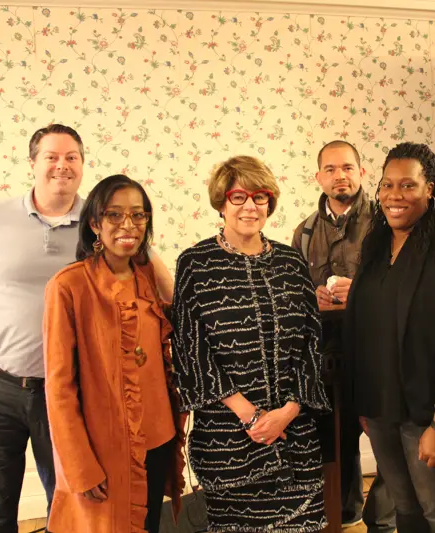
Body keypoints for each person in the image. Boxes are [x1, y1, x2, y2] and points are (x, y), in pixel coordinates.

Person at [0, 124, 173, 532]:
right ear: (33, 163)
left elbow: (152, 275)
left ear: (82, 164)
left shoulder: (104, 219)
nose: (62, 165)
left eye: (71, 157)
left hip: (67, 396)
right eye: (51, 157)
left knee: (70, 504)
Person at [171, 155, 331, 532]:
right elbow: (192, 350)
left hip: (294, 436)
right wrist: (252, 416)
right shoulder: (195, 263)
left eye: (260, 197)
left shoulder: (291, 262)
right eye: (239, 196)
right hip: (229, 438)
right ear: (222, 202)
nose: (250, 206)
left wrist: (288, 411)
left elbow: (311, 344)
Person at [343, 142, 435, 533]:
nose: (394, 196)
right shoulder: (376, 246)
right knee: (405, 508)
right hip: (382, 408)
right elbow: (366, 326)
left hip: (430, 412)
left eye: (407, 185)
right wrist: (365, 404)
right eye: (387, 185)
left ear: (430, 190)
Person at [42, 174, 185, 533]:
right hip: (105, 447)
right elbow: (59, 387)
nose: (129, 225)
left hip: (158, 437)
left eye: (139, 215)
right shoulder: (68, 286)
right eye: (114, 215)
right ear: (94, 223)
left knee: (147, 524)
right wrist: (79, 466)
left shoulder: (147, 275)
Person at [291, 140, 395, 532]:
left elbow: (405, 285)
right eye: (331, 169)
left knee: (388, 444)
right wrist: (311, 293)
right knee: (337, 443)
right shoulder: (303, 233)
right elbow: (294, 292)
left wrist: (364, 290)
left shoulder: (387, 222)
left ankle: (383, 519)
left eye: (348, 168)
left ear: (362, 173)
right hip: (326, 357)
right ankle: (345, 512)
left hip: (379, 353)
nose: (341, 176)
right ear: (319, 177)